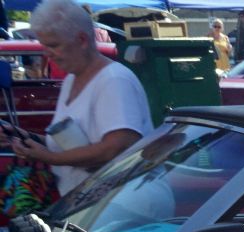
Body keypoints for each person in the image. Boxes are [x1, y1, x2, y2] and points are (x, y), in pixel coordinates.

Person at [5, 0, 151, 197]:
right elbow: (68, 145)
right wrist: (20, 135)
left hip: (122, 205)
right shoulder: (71, 81)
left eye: (53, 45)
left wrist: (50, 158)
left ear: (82, 40)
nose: (47, 54)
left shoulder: (114, 80)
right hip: (93, 206)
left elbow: (116, 148)